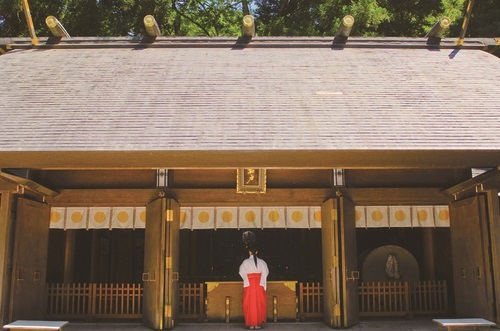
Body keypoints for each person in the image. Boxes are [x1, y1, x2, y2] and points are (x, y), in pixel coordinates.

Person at [239, 233, 269, 330]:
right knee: (259, 303)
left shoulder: (245, 262)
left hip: (249, 284)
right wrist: (262, 282)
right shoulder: (262, 262)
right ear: (257, 252)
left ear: (250, 253)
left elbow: (241, 272)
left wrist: (247, 280)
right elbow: (266, 272)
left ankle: (251, 324)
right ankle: (258, 324)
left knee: (249, 303)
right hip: (259, 284)